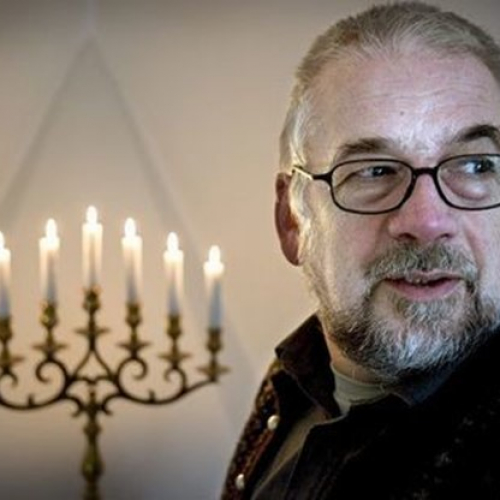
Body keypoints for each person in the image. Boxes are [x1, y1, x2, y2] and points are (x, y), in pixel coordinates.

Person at [221, 1, 500, 499]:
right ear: (292, 221)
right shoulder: (291, 381)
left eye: (476, 165)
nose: (427, 222)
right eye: (373, 171)